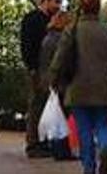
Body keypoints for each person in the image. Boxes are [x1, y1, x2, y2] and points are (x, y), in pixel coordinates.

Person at [58, 0, 107, 174]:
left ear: (80, 8)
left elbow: (60, 58)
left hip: (78, 88)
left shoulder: (71, 30)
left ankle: (89, 167)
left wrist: (54, 80)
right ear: (97, 9)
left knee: (84, 129)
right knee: (103, 123)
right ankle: (105, 147)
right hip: (104, 88)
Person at [20, 0, 65, 158]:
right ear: (46, 0)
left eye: (60, 2)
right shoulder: (32, 19)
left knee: (47, 105)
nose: (58, 6)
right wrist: (32, 68)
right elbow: (27, 46)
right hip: (37, 70)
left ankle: (44, 140)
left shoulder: (52, 19)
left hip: (49, 71)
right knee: (36, 106)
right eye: (56, 2)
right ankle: (33, 144)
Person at [41, 9, 77, 161]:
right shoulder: (61, 40)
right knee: (62, 116)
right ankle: (62, 150)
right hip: (61, 81)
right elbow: (63, 61)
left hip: (52, 80)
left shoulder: (48, 38)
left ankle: (58, 148)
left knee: (57, 116)